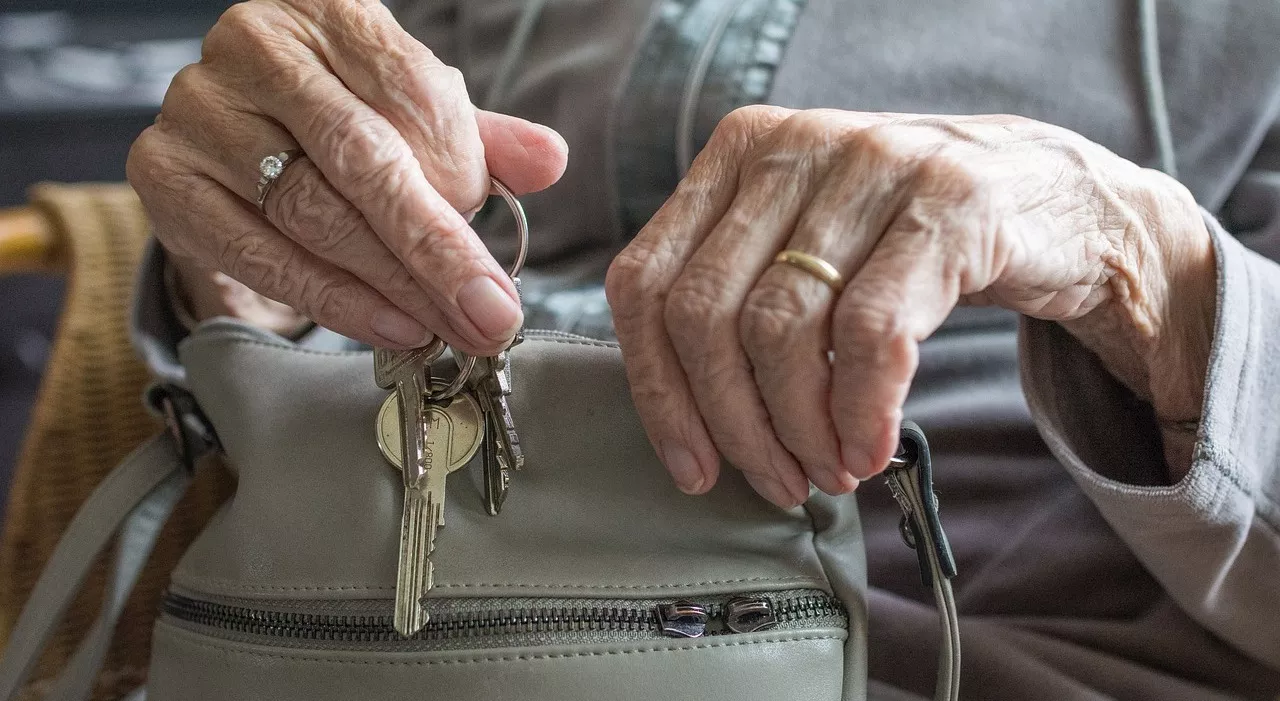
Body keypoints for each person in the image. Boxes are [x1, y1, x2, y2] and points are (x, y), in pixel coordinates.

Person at [124, 0, 1280, 697]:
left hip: (973, 656)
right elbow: (277, 301)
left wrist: (1134, 256)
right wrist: (240, 239)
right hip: (328, 631)